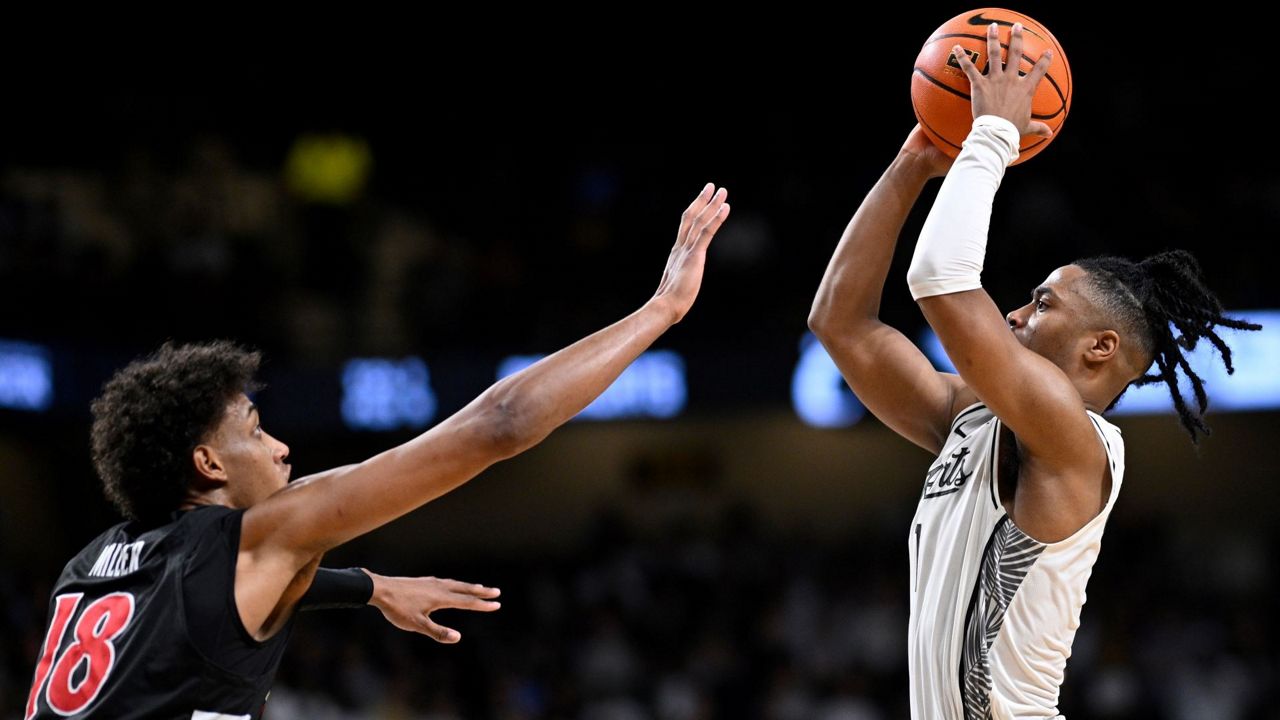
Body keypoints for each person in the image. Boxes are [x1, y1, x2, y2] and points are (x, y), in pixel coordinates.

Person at [24, 184, 730, 719]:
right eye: (255, 428)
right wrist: (660, 310)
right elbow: (502, 423)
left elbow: (200, 603)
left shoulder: (85, 567)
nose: (281, 448)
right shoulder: (259, 538)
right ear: (207, 464)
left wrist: (367, 586)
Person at [808, 23, 1259, 719]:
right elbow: (841, 322)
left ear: (1100, 349)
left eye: (1043, 302)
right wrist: (912, 162)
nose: (1015, 315)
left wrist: (991, 136)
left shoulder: (1073, 438)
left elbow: (940, 279)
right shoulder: (972, 416)